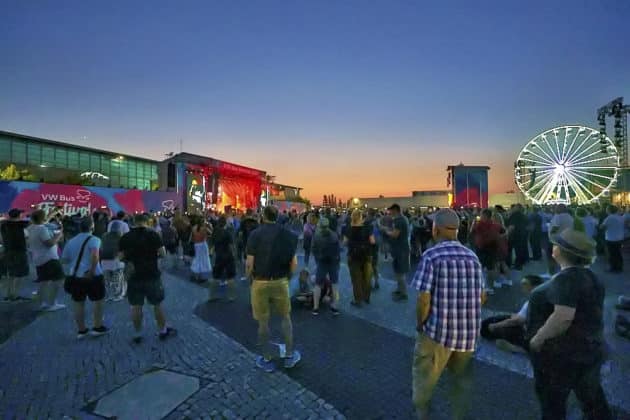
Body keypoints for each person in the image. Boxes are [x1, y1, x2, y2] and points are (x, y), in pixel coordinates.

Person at [526, 228, 611, 420]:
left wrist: (537, 339)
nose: (552, 247)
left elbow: (563, 317)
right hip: (590, 348)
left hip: (563, 354)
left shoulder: (566, 279)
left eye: (556, 245)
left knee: (553, 402)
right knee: (592, 399)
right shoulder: (591, 276)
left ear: (563, 252)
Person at [411, 209, 485, 420]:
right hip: (468, 336)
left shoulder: (432, 256)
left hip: (438, 333)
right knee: (460, 383)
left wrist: (420, 323)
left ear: (436, 229)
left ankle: (423, 414)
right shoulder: (472, 257)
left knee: (424, 377)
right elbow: (481, 297)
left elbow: (423, 299)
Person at [246, 205, 301, 372]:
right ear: (277, 216)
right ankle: (290, 356)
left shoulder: (255, 235)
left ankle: (266, 358)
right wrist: (289, 277)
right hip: (280, 281)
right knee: (285, 318)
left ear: (263, 216)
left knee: (263, 322)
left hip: (260, 281)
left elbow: (249, 264)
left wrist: (250, 280)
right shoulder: (289, 235)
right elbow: (294, 263)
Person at [119, 213, 176, 343]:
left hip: (134, 276)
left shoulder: (126, 237)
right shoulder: (153, 234)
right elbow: (163, 253)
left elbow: (120, 256)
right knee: (157, 304)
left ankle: (137, 333)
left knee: (136, 306)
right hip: (152, 274)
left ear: (134, 222)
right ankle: (162, 330)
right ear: (147, 222)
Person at [61, 217, 108, 338]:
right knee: (98, 301)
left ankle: (81, 330)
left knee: (78, 302)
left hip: (76, 276)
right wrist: (91, 270)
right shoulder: (94, 239)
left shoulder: (71, 241)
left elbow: (64, 260)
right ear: (92, 227)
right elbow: (95, 255)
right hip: (93, 275)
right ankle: (97, 326)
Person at [481, 274, 544, 353]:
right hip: (525, 324)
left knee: (485, 329)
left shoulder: (533, 302)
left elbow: (517, 321)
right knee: (486, 324)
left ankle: (518, 348)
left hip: (526, 331)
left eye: (525, 284)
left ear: (533, 286)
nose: (522, 287)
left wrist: (495, 326)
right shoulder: (540, 296)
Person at [27, 209, 66, 312]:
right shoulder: (42, 229)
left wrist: (53, 212)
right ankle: (52, 303)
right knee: (59, 279)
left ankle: (42, 303)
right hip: (49, 258)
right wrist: (58, 235)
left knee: (43, 282)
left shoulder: (31, 227)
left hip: (38, 258)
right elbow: (49, 243)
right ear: (42, 218)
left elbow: (44, 221)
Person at [311, 217, 341, 315]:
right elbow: (338, 250)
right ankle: (335, 307)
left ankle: (315, 308)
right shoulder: (334, 235)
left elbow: (314, 249)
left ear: (319, 225)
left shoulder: (317, 235)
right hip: (333, 262)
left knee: (317, 284)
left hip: (322, 262)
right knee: (334, 284)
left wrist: (318, 258)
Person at [345, 209, 375, 307]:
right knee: (367, 277)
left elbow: (345, 242)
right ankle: (367, 297)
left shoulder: (348, 228)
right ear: (361, 217)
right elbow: (372, 241)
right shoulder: (367, 227)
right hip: (366, 255)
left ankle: (358, 300)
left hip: (353, 256)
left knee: (356, 279)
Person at [0, 209, 30, 301]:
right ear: (19, 215)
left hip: (8, 251)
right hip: (19, 252)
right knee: (19, 275)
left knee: (11, 274)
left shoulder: (3, 225)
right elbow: (39, 221)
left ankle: (9, 294)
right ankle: (15, 295)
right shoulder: (21, 224)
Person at [382, 204, 410, 301]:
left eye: (390, 211)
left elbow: (395, 235)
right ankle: (399, 290)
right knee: (398, 271)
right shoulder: (403, 219)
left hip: (400, 249)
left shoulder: (399, 220)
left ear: (395, 210)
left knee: (400, 272)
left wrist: (386, 231)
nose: (389, 212)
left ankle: (403, 294)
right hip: (401, 248)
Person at [208, 216, 237, 302]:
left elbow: (212, 244)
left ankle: (211, 295)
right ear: (225, 223)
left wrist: (211, 253)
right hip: (228, 255)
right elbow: (231, 246)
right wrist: (234, 255)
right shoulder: (227, 233)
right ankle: (231, 296)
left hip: (219, 256)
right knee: (230, 277)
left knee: (215, 276)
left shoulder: (215, 232)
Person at [100, 222, 126, 301]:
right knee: (118, 278)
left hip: (104, 260)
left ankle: (107, 296)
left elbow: (101, 248)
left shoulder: (104, 236)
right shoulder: (121, 237)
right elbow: (123, 250)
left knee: (106, 279)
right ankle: (117, 295)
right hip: (116, 260)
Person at [600, 205, 624, 273]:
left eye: (607, 209)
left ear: (609, 210)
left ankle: (613, 267)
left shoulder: (609, 218)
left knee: (612, 254)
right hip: (620, 237)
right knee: (618, 253)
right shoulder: (620, 217)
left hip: (611, 238)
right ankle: (619, 267)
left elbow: (602, 227)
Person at [190, 216, 212, 283]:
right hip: (203, 245)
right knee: (204, 260)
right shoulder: (204, 228)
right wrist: (209, 225)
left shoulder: (194, 228)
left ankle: (195, 274)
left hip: (196, 245)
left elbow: (193, 237)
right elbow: (211, 232)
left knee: (197, 259)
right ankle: (202, 276)